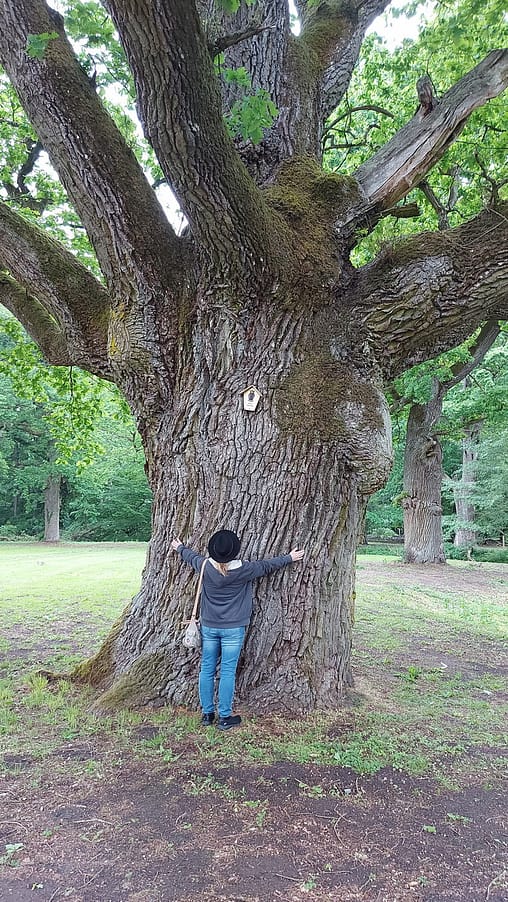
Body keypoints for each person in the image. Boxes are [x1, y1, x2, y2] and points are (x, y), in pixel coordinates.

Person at [171, 530, 304, 731]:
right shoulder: (245, 569)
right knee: (227, 672)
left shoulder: (205, 566)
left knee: (206, 669)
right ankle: (224, 717)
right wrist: (290, 557)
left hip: (209, 627)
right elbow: (268, 566)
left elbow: (191, 557)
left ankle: (207, 714)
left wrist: (179, 547)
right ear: (235, 551)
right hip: (233, 629)